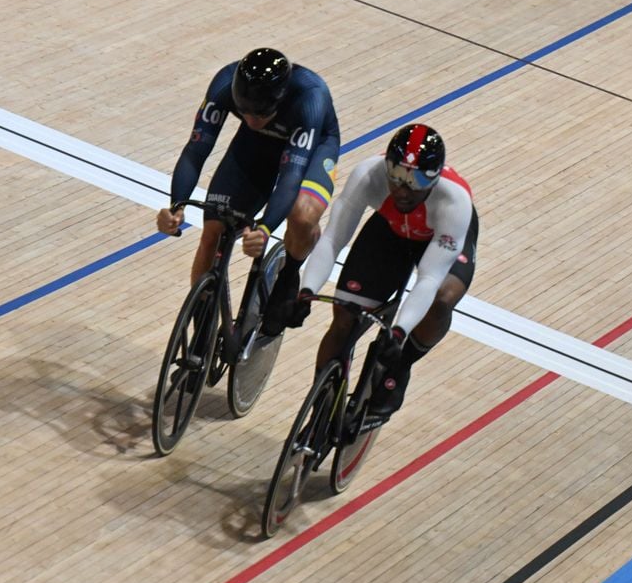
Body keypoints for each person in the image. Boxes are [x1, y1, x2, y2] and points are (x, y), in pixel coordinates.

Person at [290, 123, 478, 425]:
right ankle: (321, 409)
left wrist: (400, 331)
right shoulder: (368, 174)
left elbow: (429, 277)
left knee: (441, 298)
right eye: (396, 177)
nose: (402, 190)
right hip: (391, 231)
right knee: (344, 318)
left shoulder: (453, 202)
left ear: (434, 178)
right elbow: (333, 239)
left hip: (437, 237)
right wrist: (306, 290)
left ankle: (401, 365)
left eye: (414, 181)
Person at [155, 48, 341, 336]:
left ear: (277, 100)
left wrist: (265, 228)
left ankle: (289, 275)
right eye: (244, 112)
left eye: (260, 113)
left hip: (313, 148)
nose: (252, 118)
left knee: (302, 216)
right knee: (212, 232)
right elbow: (196, 151)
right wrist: (176, 204)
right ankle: (200, 335)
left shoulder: (310, 97)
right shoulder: (224, 83)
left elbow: (290, 177)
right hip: (257, 144)